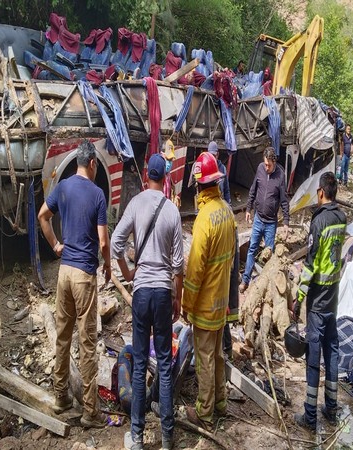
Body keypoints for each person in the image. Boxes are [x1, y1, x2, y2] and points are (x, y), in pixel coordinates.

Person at [111, 153, 184, 450]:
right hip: (164, 292)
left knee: (139, 365)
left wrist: (129, 273)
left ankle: (138, 437)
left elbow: (116, 242)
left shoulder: (136, 203)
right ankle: (167, 438)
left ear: (146, 175)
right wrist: (176, 296)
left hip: (141, 292)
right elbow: (179, 264)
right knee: (164, 364)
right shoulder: (172, 211)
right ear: (165, 177)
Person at [37, 140, 111, 428]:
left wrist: (55, 244)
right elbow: (103, 240)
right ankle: (91, 412)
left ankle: (60, 397)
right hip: (84, 276)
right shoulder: (97, 194)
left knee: (63, 336)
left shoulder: (64, 186)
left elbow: (44, 215)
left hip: (64, 271)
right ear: (92, 164)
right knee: (88, 342)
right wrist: (106, 266)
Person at [183, 152, 236, 432]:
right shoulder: (227, 211)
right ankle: (220, 402)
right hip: (221, 302)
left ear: (198, 185)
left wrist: (186, 304)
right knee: (217, 355)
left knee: (204, 358)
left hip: (204, 303)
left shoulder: (204, 218)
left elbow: (194, 271)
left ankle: (204, 412)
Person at [293, 171, 346, 431]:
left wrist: (298, 297)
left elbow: (311, 264)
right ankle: (332, 409)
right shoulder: (341, 218)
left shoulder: (320, 222)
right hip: (333, 298)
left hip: (316, 301)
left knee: (313, 359)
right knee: (332, 352)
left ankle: (310, 416)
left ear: (321, 192)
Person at [240, 147, 289, 293]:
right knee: (252, 250)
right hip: (258, 219)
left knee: (269, 254)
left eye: (269, 165)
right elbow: (253, 189)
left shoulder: (280, 175)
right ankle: (245, 280)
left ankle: (266, 286)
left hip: (270, 223)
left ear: (274, 162)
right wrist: (248, 209)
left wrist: (286, 221)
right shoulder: (260, 169)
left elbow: (284, 200)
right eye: (265, 164)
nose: (266, 167)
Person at [207, 141, 239, 358]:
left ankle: (224, 347)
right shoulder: (226, 225)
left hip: (218, 284)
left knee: (222, 307)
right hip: (223, 279)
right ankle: (224, 348)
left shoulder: (222, 170)